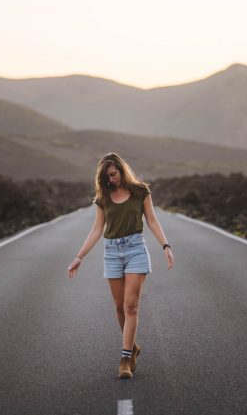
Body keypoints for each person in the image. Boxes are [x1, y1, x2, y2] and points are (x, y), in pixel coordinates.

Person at [67, 152, 175, 379]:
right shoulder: (103, 198)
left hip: (136, 250)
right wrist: (79, 257)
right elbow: (97, 229)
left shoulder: (140, 191)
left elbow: (152, 221)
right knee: (119, 306)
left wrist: (165, 246)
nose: (111, 180)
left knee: (130, 306)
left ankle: (125, 358)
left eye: (114, 175)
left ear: (122, 170)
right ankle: (133, 346)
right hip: (112, 252)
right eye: (107, 178)